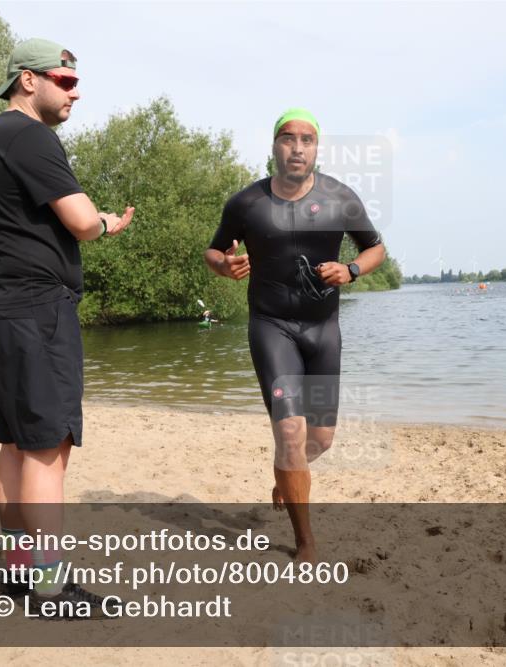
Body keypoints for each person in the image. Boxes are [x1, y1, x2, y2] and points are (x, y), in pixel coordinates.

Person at [0, 38, 133, 617]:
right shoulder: (30, 136)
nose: (74, 92)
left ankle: (19, 574)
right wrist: (104, 222)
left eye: (75, 82)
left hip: (0, 309)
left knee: (16, 447)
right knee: (46, 450)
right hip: (37, 311)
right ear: (28, 80)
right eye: (64, 81)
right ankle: (50, 588)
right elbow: (81, 221)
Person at [204, 108, 386, 563]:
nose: (298, 147)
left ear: (317, 148)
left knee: (319, 440)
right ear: (275, 146)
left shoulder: (340, 197)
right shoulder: (247, 203)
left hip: (323, 331)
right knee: (289, 431)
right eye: (288, 138)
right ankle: (305, 542)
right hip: (272, 327)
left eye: (307, 139)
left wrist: (351, 269)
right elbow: (213, 250)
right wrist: (225, 265)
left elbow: (376, 248)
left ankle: (287, 473)